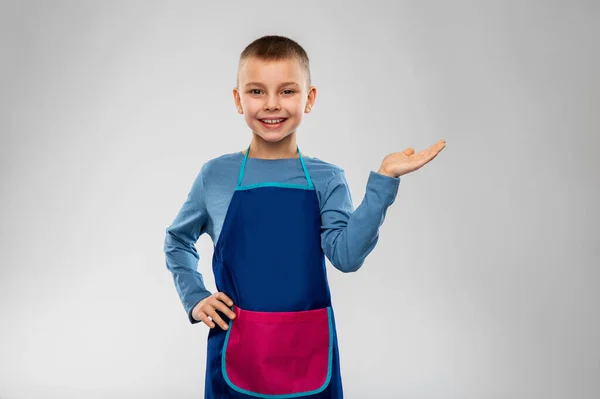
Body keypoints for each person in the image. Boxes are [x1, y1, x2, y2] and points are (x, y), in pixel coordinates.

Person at [163, 35, 445, 399]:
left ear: (309, 99)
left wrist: (383, 183)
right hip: (238, 348)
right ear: (238, 99)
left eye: (287, 91)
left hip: (308, 350)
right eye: (256, 92)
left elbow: (347, 256)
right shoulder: (215, 176)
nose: (271, 105)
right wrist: (195, 296)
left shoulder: (327, 178)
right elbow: (177, 239)